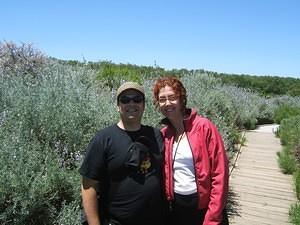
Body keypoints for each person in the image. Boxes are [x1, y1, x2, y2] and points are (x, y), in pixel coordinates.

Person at [79, 82, 165, 225]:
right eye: (125, 100)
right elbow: (88, 186)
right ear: (118, 106)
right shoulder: (104, 139)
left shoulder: (155, 135)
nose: (132, 103)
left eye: (137, 99)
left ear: (143, 105)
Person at [152, 77, 229, 225]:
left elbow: (220, 174)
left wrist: (212, 217)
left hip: (204, 209)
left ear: (181, 99)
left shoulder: (204, 127)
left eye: (172, 97)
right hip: (177, 209)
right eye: (162, 99)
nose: (167, 103)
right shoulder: (164, 135)